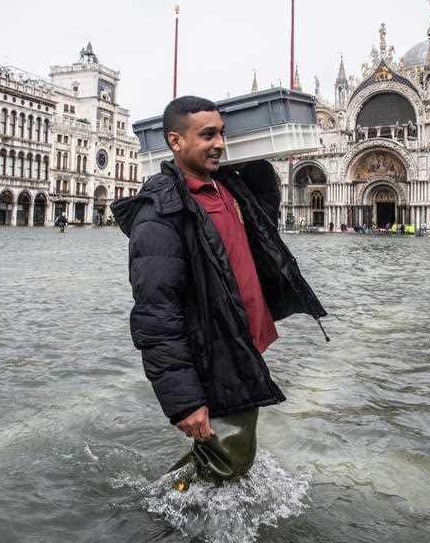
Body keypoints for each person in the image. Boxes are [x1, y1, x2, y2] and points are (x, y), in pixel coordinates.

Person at [112, 96, 328, 482]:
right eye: (208, 135)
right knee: (230, 456)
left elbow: (266, 212)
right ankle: (171, 508)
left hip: (238, 338)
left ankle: (176, 498)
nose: (220, 143)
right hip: (211, 347)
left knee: (223, 448)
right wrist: (184, 401)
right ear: (175, 142)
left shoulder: (228, 187)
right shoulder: (160, 213)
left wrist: (253, 153)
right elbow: (156, 314)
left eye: (224, 134)